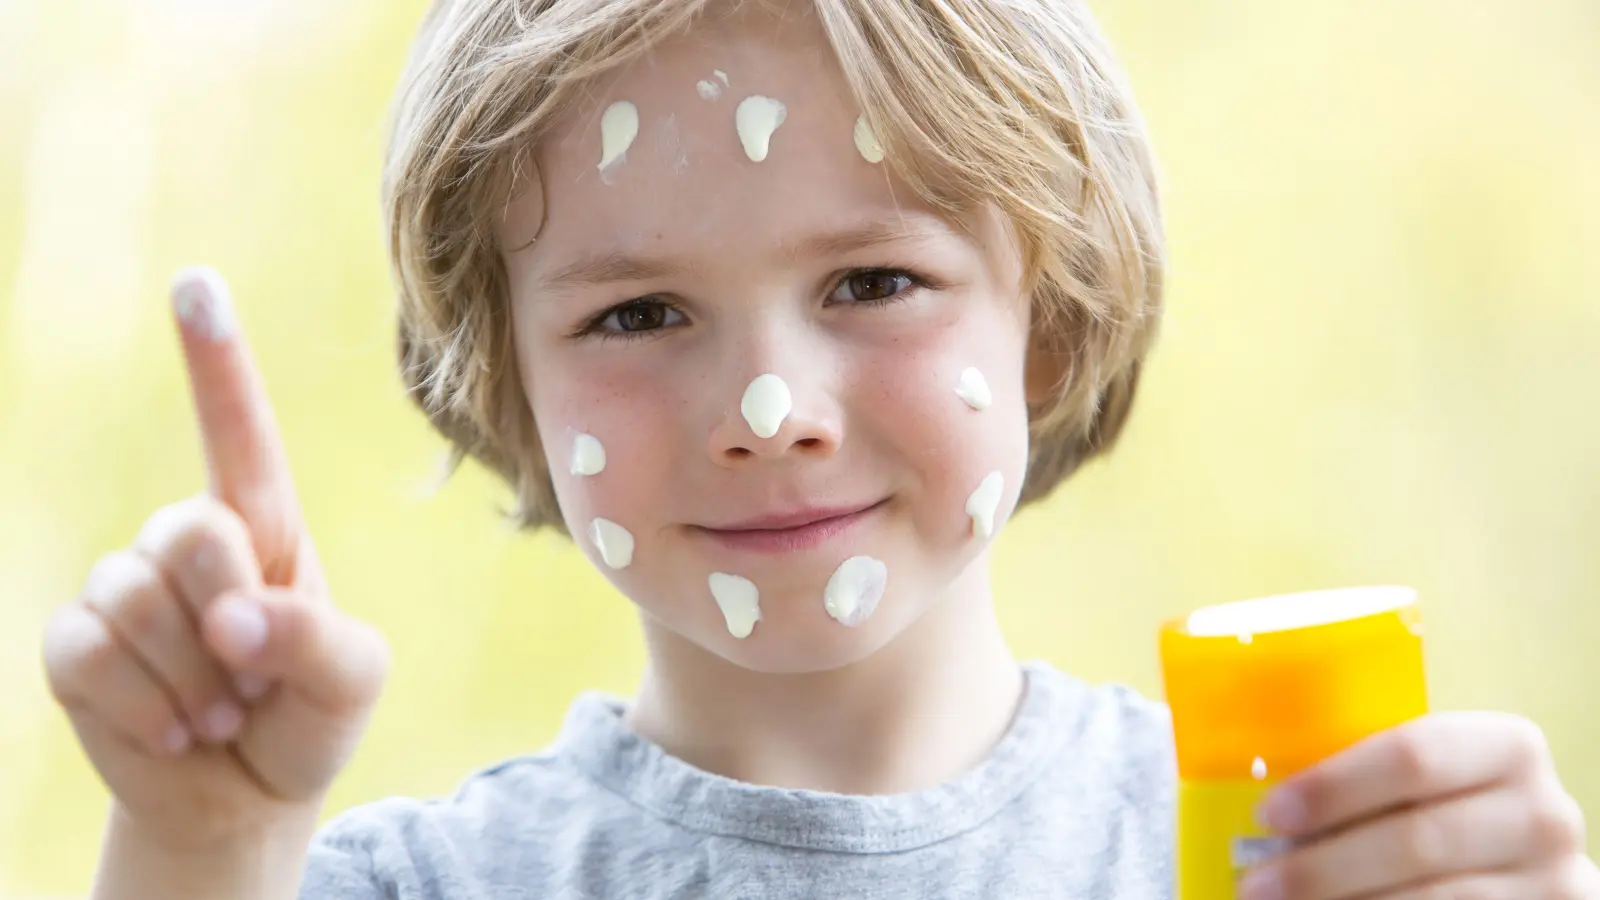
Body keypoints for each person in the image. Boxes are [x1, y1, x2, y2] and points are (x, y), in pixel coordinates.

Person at [40, 0, 1596, 897]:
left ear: (1044, 330)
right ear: (505, 381)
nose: (769, 407)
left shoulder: (1276, 861)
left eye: (872, 283)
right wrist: (204, 840)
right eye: (640, 314)